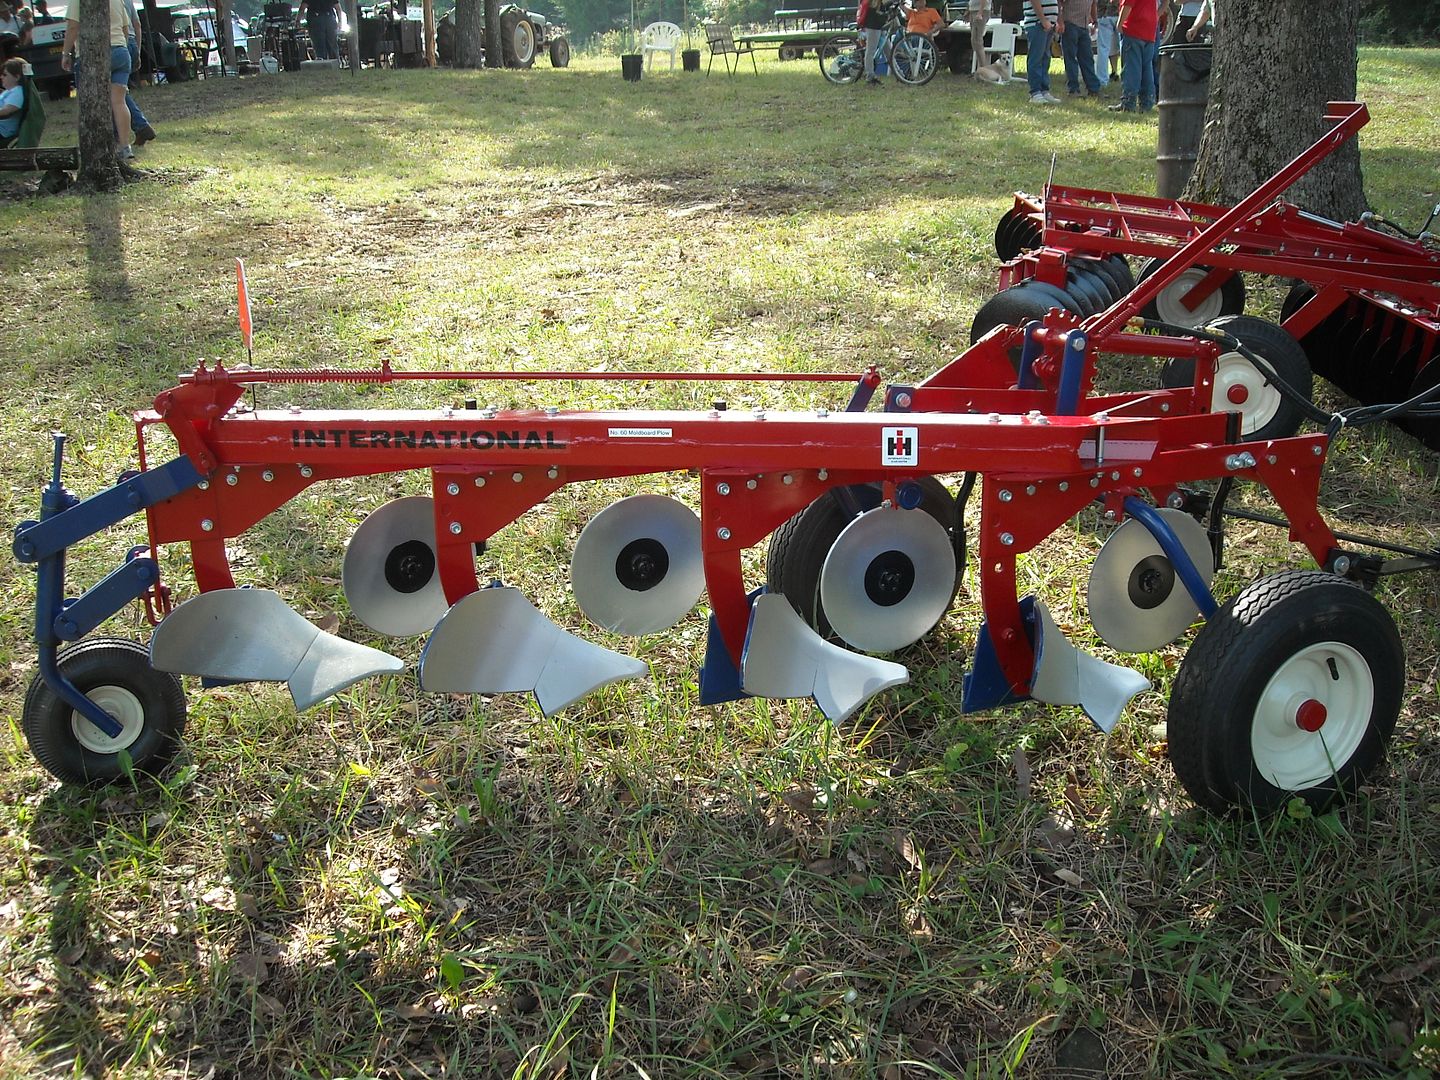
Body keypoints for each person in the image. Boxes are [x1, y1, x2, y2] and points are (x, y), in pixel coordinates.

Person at [60, 0, 133, 158]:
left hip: (94, 53)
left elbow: (73, 27)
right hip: (120, 50)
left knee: (89, 102)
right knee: (119, 102)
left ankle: (94, 147)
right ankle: (125, 145)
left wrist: (65, 53)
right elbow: (126, 29)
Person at [1108, 0, 1155, 113]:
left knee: (1131, 68)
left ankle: (1128, 102)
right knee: (1146, 68)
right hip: (1149, 29)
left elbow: (1128, 5)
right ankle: (1147, 102)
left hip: (1134, 27)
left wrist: (1120, 24)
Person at [119, 0, 155, 144]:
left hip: (118, 42)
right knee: (120, 91)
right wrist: (138, 52)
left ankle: (141, 126)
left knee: (116, 92)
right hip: (132, 42)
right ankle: (140, 128)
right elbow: (137, 25)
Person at [1060, 0, 1102, 95]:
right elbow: (1060, 3)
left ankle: (1093, 89)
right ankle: (1073, 88)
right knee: (1071, 58)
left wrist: (1095, 21)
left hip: (1084, 26)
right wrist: (1060, 21)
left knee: (1087, 58)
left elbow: (1093, 4)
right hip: (1070, 23)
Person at [1024, 0, 1061, 105]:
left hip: (1048, 24)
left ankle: (1044, 90)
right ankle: (1035, 92)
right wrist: (1043, 20)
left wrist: (1055, 20)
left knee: (1045, 58)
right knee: (1036, 58)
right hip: (1037, 23)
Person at [1093, 0, 1119, 82]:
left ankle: (1102, 79)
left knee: (1103, 49)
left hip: (1104, 13)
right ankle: (1126, 78)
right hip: (1121, 12)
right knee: (1122, 47)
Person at [0, 56, 23, 147]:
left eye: (5, 75)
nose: (1, 77)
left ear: (16, 77)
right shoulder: (10, 91)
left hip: (4, 130)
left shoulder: (17, 92)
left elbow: (7, 110)